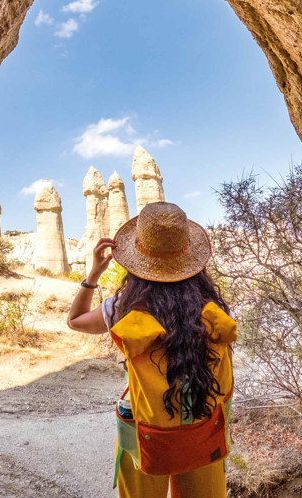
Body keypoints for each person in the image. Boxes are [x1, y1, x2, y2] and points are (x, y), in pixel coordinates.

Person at [67, 202, 236, 498]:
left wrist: (93, 274)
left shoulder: (122, 309)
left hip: (143, 432)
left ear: (137, 260)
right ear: (191, 259)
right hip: (204, 424)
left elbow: (76, 321)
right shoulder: (214, 310)